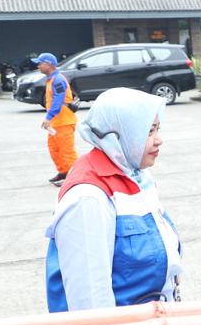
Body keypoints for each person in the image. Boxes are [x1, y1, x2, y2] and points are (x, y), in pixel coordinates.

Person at [45, 88, 180, 311]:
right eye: (149, 131)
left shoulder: (137, 176)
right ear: (119, 134)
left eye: (157, 129)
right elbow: (90, 305)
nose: (159, 140)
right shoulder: (88, 199)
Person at [36, 52, 78, 185]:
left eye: (40, 63)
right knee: (54, 148)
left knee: (66, 150)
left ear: (49, 64)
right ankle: (64, 171)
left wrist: (48, 117)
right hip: (56, 122)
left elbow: (58, 101)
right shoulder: (51, 79)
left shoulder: (58, 80)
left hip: (64, 122)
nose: (38, 66)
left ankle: (74, 178)